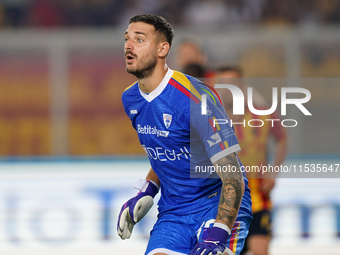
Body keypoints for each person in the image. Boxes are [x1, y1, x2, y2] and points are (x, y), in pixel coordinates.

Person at [117, 14, 252, 255]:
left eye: (139, 39)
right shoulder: (130, 99)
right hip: (174, 211)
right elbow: (166, 151)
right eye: (127, 38)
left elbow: (233, 175)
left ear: (162, 49)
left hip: (217, 204)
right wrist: (148, 189)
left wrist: (219, 232)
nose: (128, 45)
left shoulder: (196, 98)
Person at [215, 65, 288, 255]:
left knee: (259, 249)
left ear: (241, 86)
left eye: (232, 83)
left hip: (258, 199)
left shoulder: (262, 114)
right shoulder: (211, 121)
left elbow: (282, 140)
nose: (227, 89)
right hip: (224, 204)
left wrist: (273, 172)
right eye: (223, 84)